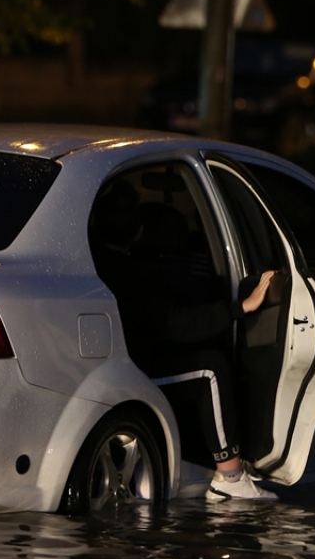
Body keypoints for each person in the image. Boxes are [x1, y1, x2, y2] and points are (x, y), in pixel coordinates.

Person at [90, 181, 279, 503]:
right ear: (138, 233)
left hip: (107, 366)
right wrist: (242, 308)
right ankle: (231, 478)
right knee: (210, 369)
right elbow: (180, 327)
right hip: (132, 371)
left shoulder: (95, 266)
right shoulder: (133, 274)